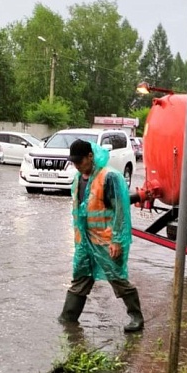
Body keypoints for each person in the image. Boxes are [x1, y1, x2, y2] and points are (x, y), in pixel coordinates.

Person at [58, 139, 144, 332]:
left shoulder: (110, 177)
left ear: (90, 156)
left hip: (106, 240)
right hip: (84, 241)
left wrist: (117, 240)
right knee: (80, 277)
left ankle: (136, 317)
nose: (77, 166)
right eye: (74, 162)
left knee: (117, 278)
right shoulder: (78, 179)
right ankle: (68, 319)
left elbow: (121, 211)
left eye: (80, 161)